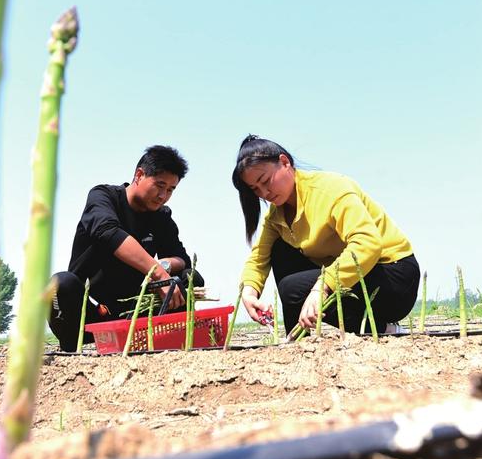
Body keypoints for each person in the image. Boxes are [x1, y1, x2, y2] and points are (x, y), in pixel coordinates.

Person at [231, 135, 419, 336]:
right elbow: (259, 258)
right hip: (355, 280)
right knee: (280, 250)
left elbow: (367, 243)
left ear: (285, 162)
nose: (264, 193)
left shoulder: (330, 189)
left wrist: (322, 287)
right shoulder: (277, 216)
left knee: (292, 288)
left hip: (392, 277)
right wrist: (249, 292)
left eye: (266, 181)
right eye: (256, 189)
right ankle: (297, 336)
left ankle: (383, 329)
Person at [50, 145, 204, 351]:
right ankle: (71, 345)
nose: (163, 195)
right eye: (159, 185)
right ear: (139, 175)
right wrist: (157, 273)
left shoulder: (161, 216)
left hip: (133, 310)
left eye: (170, 190)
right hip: (91, 309)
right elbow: (108, 233)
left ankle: (154, 339)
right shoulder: (103, 197)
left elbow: (181, 257)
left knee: (190, 277)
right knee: (61, 284)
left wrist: (164, 266)